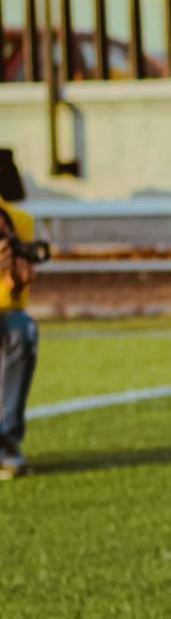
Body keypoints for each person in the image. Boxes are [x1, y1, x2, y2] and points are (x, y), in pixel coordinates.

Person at [0, 150, 39, 483]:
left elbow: (16, 297)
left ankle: (7, 442)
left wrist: (16, 273)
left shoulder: (18, 222)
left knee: (22, 330)